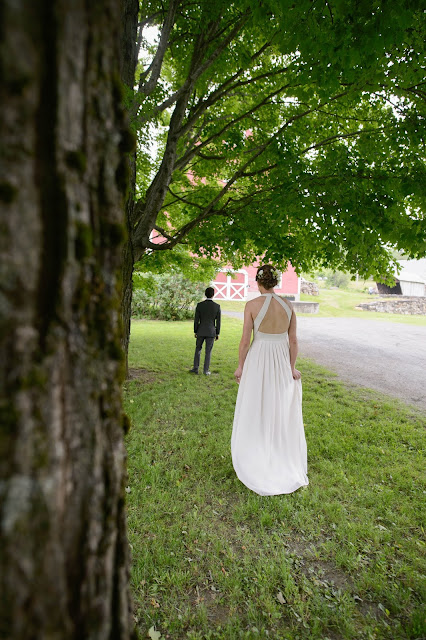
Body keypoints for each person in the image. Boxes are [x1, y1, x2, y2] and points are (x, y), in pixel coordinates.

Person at [231, 265, 308, 495]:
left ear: (258, 282)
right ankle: (275, 453)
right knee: (278, 407)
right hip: (281, 359)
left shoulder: (252, 305)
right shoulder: (288, 305)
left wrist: (241, 365)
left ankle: (257, 453)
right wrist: (292, 367)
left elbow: (246, 340)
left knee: (256, 405)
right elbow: (293, 341)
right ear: (275, 282)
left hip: (259, 359)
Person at [189, 287, 221, 376]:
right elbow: (218, 322)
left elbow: (196, 320)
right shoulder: (217, 306)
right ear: (213, 294)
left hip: (201, 331)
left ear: (205, 294)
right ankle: (206, 370)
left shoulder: (200, 305)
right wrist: (217, 333)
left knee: (198, 349)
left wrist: (195, 331)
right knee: (208, 351)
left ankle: (195, 368)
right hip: (211, 331)